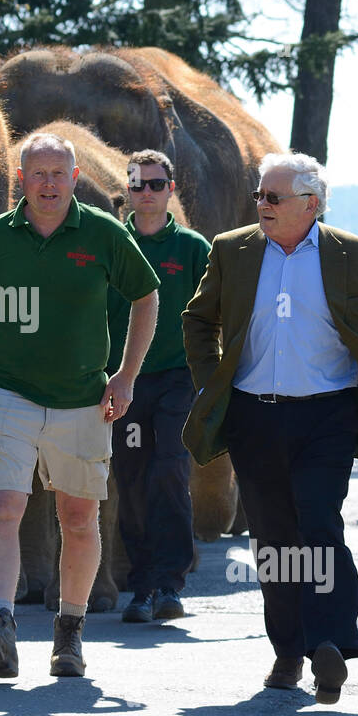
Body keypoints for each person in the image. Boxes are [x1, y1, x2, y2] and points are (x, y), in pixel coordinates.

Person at [181, 153, 358, 704]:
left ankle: (330, 644)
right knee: (272, 537)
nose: (262, 206)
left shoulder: (354, 256)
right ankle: (288, 650)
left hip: (327, 415)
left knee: (319, 523)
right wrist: (210, 384)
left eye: (274, 197)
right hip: (254, 415)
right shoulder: (232, 250)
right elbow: (198, 321)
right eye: (259, 197)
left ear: (311, 204)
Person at [0, 131, 160, 679]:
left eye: (57, 173)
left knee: (79, 517)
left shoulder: (104, 233)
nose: (48, 183)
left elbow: (146, 296)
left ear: (74, 179)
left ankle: (69, 632)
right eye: (37, 173)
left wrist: (126, 377)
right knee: (2, 508)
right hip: (4, 392)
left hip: (82, 399)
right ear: (21, 179)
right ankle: (0, 623)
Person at [105, 150, 211, 623]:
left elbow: (214, 316)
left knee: (169, 470)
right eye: (137, 184)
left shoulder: (192, 248)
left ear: (171, 188)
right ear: (126, 192)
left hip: (176, 380)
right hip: (122, 382)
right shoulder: (109, 243)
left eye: (155, 183)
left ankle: (169, 583)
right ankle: (141, 586)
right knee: (131, 480)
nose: (146, 192)